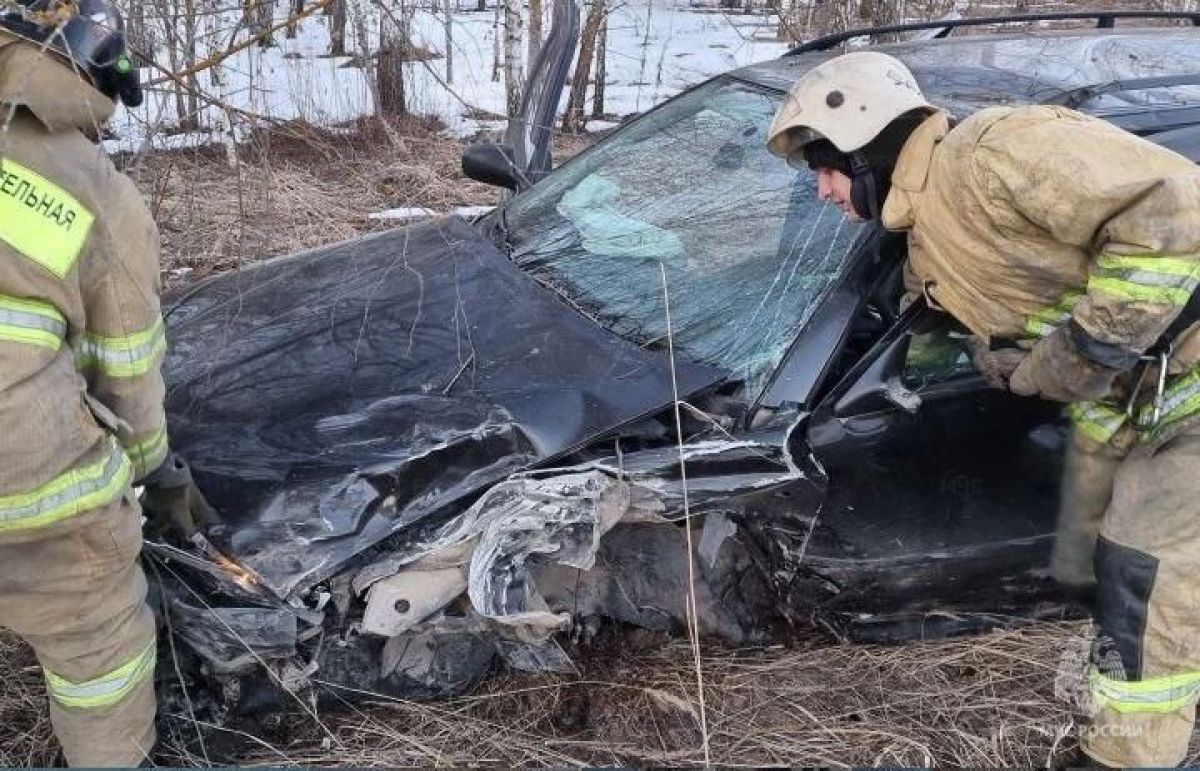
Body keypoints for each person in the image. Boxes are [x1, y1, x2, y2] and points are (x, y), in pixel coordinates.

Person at [767, 51, 1200, 767]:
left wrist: (1076, 355)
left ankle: (1136, 759)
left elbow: (1173, 211)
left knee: (1143, 568)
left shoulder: (997, 149)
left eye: (825, 165)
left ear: (866, 145)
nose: (820, 189)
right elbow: (940, 316)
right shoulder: (929, 233)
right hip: (1152, 401)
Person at [0, 1, 215, 765]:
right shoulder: (87, 185)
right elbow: (125, 365)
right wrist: (157, 470)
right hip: (22, 481)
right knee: (98, 643)